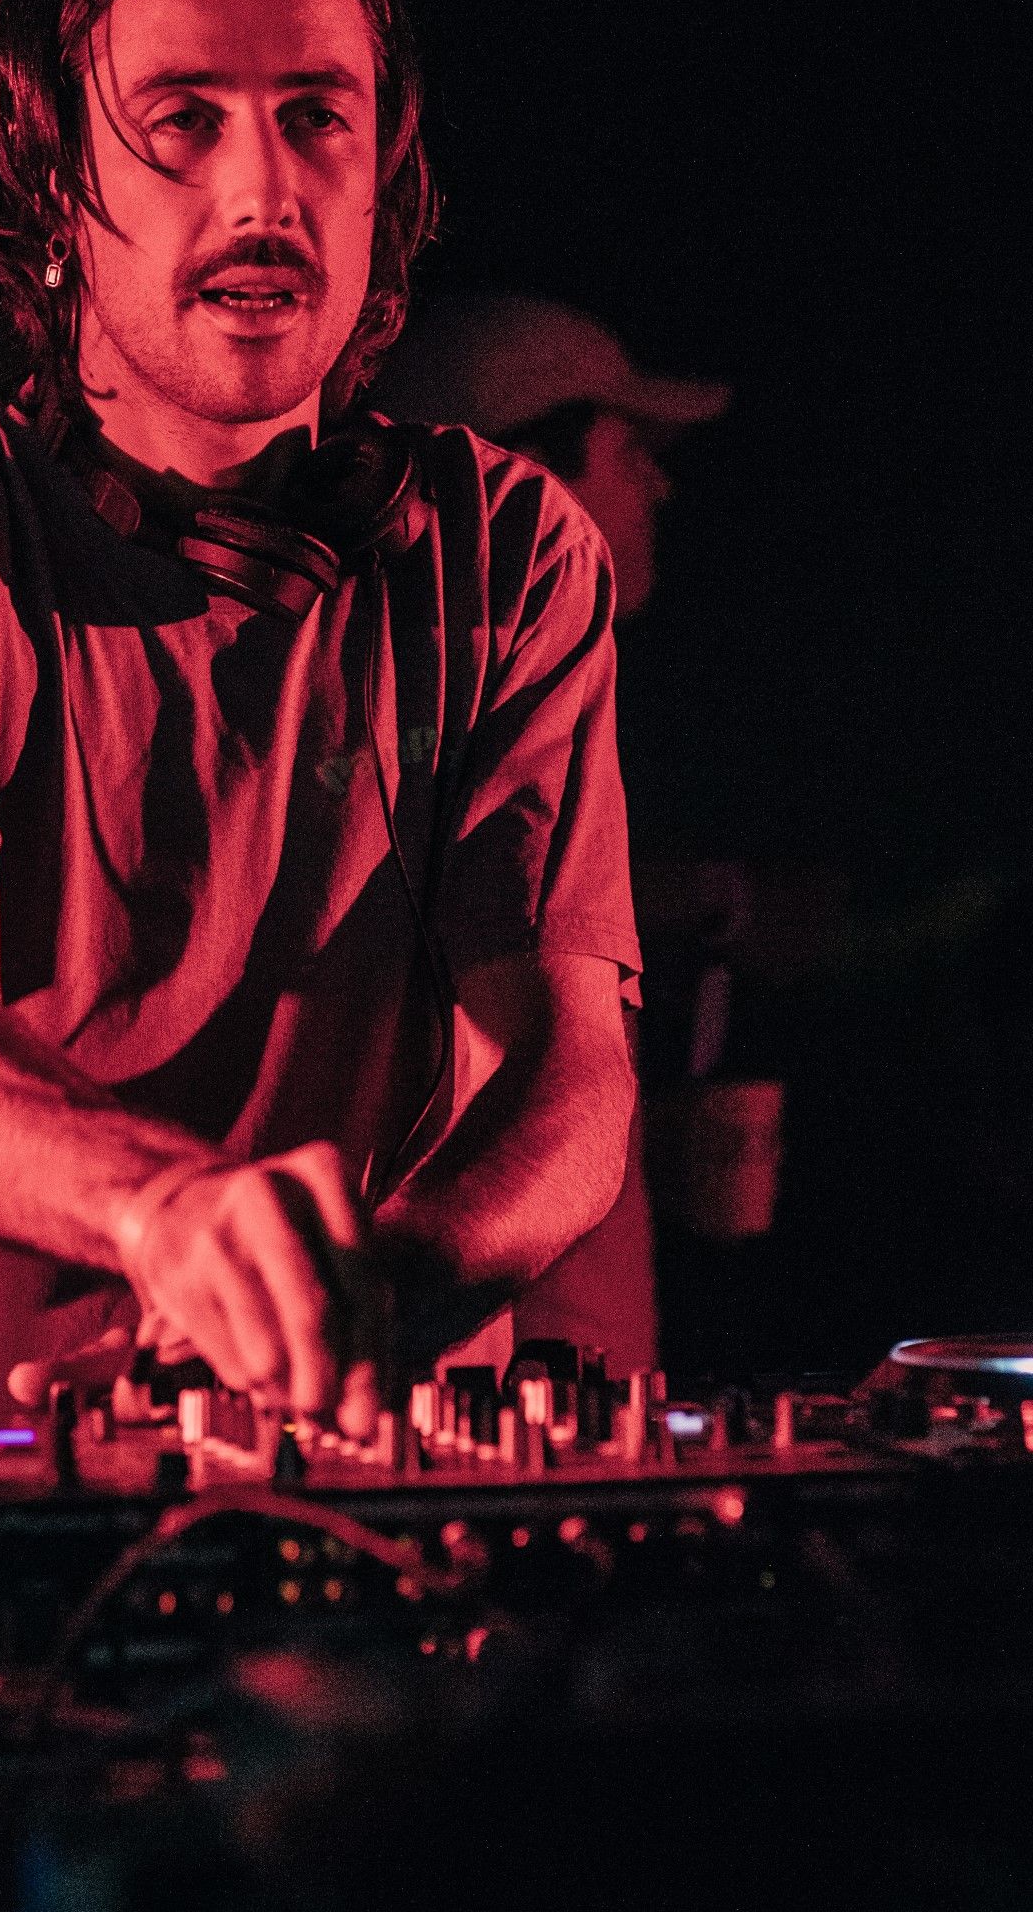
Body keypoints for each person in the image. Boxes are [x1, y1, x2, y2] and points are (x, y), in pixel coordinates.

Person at [0, 0, 640, 1429]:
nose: (263, 193)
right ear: (50, 186)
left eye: (316, 117)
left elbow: (568, 1077)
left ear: (385, 172)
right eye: (184, 122)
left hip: (364, 1468)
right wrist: (167, 1215)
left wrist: (358, 1300)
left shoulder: (510, 555)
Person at [374, 294, 732, 1370]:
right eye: (630, 450)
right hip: (497, 1354)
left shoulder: (515, 683)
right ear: (525, 469)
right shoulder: (436, 699)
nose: (660, 485)